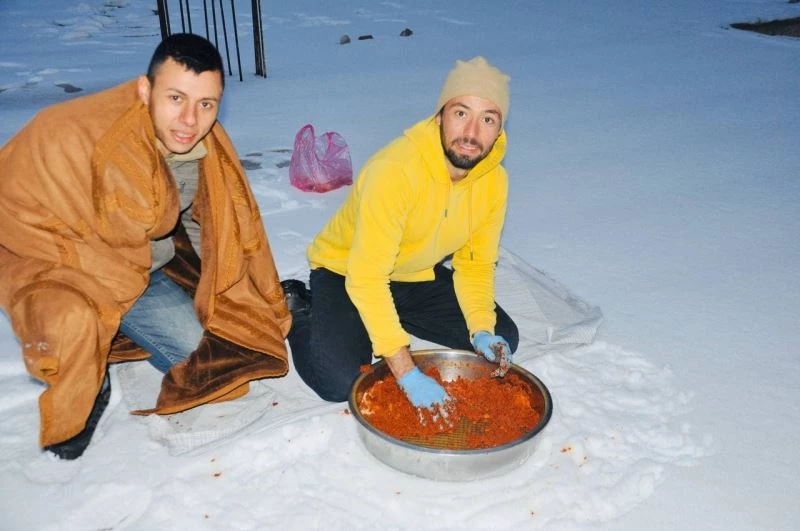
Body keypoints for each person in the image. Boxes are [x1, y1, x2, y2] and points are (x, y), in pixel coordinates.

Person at [0, 34, 292, 460]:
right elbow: (17, 215)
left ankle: (114, 332)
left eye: (206, 104)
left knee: (221, 350)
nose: (190, 120)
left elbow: (223, 228)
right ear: (144, 89)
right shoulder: (77, 135)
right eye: (176, 97)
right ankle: (89, 378)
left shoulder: (200, 146)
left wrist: (232, 293)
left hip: (144, 268)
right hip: (56, 262)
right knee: (75, 325)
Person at [283, 56, 519, 408]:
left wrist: (481, 328)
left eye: (488, 119)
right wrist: (406, 370)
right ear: (439, 116)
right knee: (342, 382)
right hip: (346, 271)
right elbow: (366, 277)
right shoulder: (393, 171)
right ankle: (301, 308)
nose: (471, 133)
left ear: (499, 130)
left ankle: (388, 319)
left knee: (503, 337)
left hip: (411, 274)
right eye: (460, 113)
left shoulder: (493, 182)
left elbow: (475, 265)